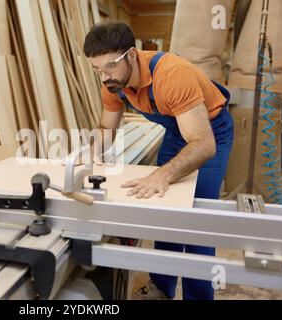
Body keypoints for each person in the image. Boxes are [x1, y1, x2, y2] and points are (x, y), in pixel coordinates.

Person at [83, 22, 234, 300]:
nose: (103, 77)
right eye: (96, 70)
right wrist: (91, 153)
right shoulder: (113, 83)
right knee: (166, 212)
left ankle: (198, 296)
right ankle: (161, 287)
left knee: (198, 219)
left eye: (108, 68)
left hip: (210, 131)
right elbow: (107, 128)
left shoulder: (172, 75)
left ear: (130, 55)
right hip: (178, 130)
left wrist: (163, 174)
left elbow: (202, 144)